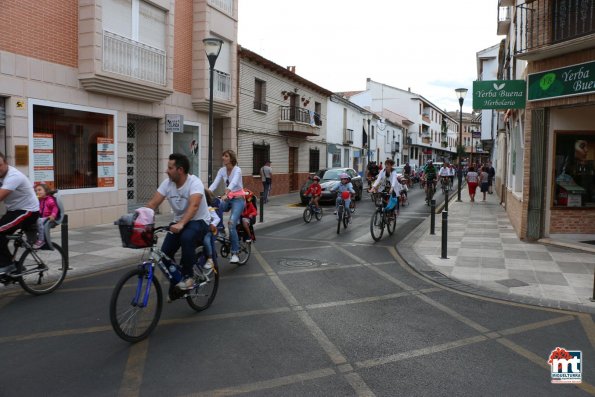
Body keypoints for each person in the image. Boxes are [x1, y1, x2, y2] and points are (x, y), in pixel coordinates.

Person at [146, 153, 211, 290]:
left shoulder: (194, 182)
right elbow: (152, 204)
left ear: (180, 170)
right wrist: (137, 218)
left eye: (170, 168)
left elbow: (194, 206)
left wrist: (181, 224)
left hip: (199, 221)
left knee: (186, 237)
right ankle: (178, 280)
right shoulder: (167, 184)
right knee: (164, 254)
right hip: (178, 222)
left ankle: (189, 277)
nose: (166, 171)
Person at [0, 153, 40, 275]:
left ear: (6, 163)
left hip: (28, 211)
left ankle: (8, 266)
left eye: (0, 165)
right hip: (14, 211)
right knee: (2, 237)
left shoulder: (13, 176)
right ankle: (13, 265)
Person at [209, 150, 245, 264]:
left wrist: (226, 193)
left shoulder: (237, 170)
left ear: (231, 158)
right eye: (223, 155)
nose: (223, 157)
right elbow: (215, 184)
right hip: (228, 198)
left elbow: (233, 183)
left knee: (231, 223)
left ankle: (235, 253)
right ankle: (221, 229)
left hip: (238, 199)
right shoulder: (222, 170)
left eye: (226, 156)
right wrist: (206, 193)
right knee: (215, 206)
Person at [32, 183, 59, 249]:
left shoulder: (49, 199)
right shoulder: (39, 200)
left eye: (39, 190)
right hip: (42, 217)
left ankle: (41, 240)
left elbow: (55, 207)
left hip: (49, 217)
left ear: (46, 191)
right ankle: (34, 239)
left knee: (39, 221)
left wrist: (53, 215)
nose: (37, 192)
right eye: (36, 191)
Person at [201, 189, 220, 275]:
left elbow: (217, 218)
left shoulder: (209, 208)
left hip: (209, 230)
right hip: (201, 229)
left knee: (206, 239)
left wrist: (212, 224)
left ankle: (210, 258)